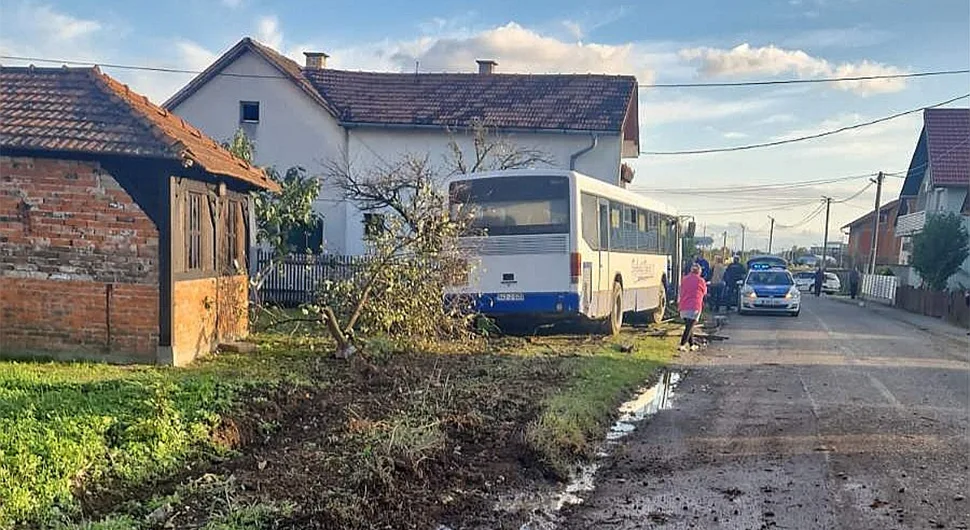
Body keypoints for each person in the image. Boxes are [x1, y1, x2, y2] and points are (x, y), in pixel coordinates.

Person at [678, 263, 707, 352]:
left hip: (683, 306)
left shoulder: (684, 279)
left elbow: (681, 290)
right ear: (699, 271)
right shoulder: (701, 281)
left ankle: (692, 344)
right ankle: (682, 344)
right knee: (689, 327)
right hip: (695, 306)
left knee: (689, 325)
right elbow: (705, 292)